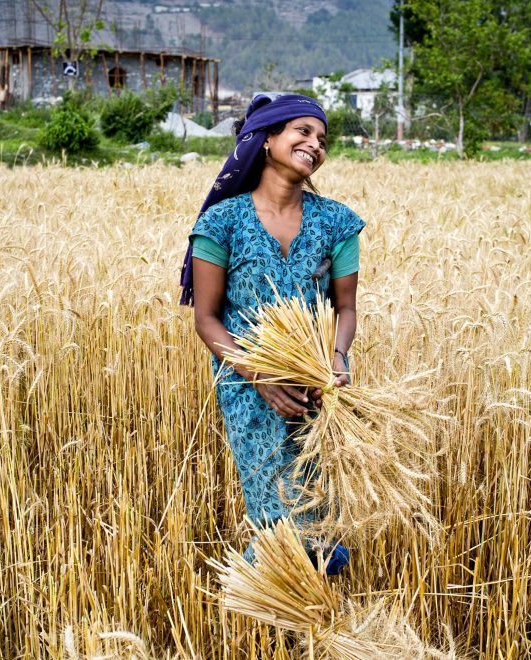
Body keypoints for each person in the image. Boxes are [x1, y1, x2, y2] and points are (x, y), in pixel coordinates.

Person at [178, 93, 364, 575]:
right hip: (247, 385)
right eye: (302, 131)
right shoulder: (221, 222)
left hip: (319, 385)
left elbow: (345, 307)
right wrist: (260, 376)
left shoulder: (338, 222)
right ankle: (265, 605)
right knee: (273, 510)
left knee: (319, 508)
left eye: (322, 138)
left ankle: (313, 612)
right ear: (266, 139)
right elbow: (207, 318)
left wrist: (338, 357)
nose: (314, 144)